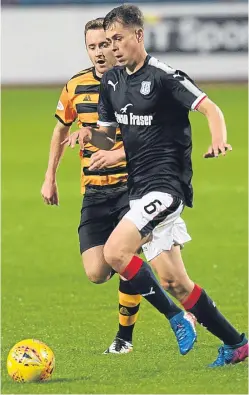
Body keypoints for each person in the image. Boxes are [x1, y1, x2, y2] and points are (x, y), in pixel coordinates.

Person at [63, 5, 248, 367]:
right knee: (176, 283)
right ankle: (237, 344)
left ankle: (178, 319)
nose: (113, 47)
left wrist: (218, 139)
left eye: (119, 38)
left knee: (115, 252)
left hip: (166, 187)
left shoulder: (164, 76)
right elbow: (110, 137)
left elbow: (210, 108)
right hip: (140, 189)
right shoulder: (112, 83)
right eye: (108, 40)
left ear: (139, 36)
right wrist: (89, 136)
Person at [41, 17, 197, 358]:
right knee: (97, 271)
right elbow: (60, 130)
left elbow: (142, 135)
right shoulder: (75, 86)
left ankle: (130, 335)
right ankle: (179, 312)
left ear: (117, 45)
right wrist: (50, 176)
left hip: (134, 187)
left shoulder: (130, 85)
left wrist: (99, 140)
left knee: (127, 256)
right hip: (94, 192)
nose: (100, 52)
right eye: (92, 46)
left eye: (105, 44)